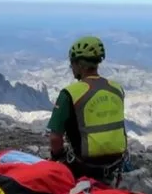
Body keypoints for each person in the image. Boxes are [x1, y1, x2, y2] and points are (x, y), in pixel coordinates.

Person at [46, 36, 128, 184]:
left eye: (72, 63)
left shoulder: (70, 93)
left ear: (80, 65)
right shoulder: (117, 89)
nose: (71, 67)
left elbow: (55, 138)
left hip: (84, 166)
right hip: (115, 164)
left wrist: (57, 156)